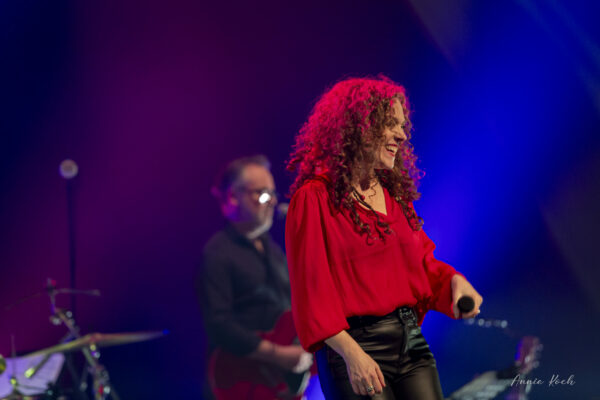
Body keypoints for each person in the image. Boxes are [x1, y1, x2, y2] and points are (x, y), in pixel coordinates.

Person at [285, 76, 483, 400]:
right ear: (359, 127)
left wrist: (453, 281)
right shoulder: (314, 199)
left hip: (409, 340)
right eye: (390, 125)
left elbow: (422, 264)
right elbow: (311, 291)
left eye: (402, 126)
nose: (402, 135)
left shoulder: (394, 195)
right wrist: (351, 354)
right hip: (353, 346)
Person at [197, 155, 311, 400]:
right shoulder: (217, 253)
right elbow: (219, 325)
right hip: (240, 384)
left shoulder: (274, 251)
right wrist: (278, 354)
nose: (272, 202)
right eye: (262, 194)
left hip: (277, 384)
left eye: (272, 194)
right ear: (232, 197)